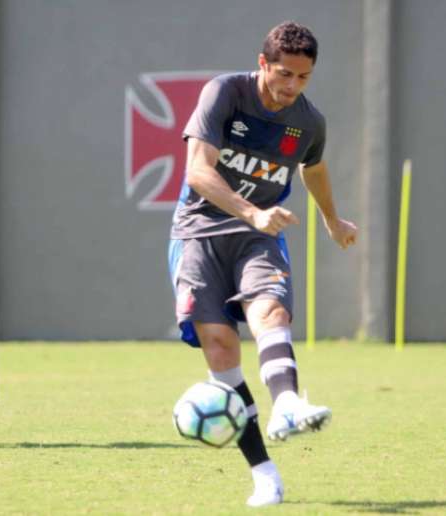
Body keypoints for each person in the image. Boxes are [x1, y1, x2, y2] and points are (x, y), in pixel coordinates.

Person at [167, 22, 356, 507]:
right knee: (220, 346)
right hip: (199, 234)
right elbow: (197, 170)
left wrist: (332, 220)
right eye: (284, 73)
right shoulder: (224, 94)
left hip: (259, 235)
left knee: (270, 312)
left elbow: (313, 168)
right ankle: (265, 474)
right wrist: (251, 209)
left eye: (303, 77)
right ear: (263, 63)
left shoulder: (309, 123)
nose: (291, 86)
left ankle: (288, 404)